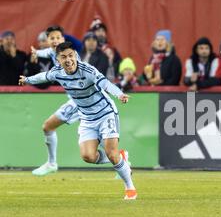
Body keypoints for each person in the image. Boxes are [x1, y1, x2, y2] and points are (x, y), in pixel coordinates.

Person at [19, 41, 136, 200]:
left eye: (70, 56)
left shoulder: (87, 70)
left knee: (111, 153)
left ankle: (130, 187)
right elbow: (43, 76)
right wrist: (27, 79)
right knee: (88, 156)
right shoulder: (57, 72)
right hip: (87, 118)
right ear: (58, 59)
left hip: (105, 113)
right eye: (63, 57)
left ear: (75, 55)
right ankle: (121, 158)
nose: (68, 60)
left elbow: (105, 83)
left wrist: (119, 94)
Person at [28, 25, 81, 176]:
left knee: (48, 127)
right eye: (52, 38)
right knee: (93, 142)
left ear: (64, 40)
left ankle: (52, 163)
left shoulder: (70, 57)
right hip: (79, 101)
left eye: (58, 38)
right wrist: (35, 53)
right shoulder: (52, 52)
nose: (55, 41)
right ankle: (122, 159)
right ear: (48, 40)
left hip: (80, 101)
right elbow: (45, 52)